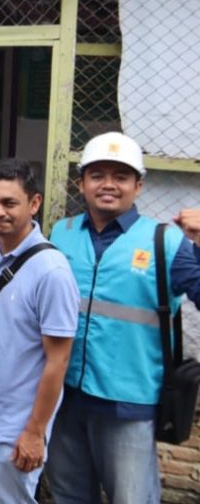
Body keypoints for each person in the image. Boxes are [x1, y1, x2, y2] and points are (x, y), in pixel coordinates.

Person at [45, 132, 200, 504]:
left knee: (131, 498)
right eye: (97, 175)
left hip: (129, 403)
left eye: (121, 176)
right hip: (63, 398)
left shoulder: (165, 241)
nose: (109, 185)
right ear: (81, 183)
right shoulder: (60, 234)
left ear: (138, 186)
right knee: (68, 495)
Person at [0, 159, 78, 504]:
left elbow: (58, 361)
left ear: (34, 203)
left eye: (9, 203)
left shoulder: (52, 272)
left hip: (16, 424)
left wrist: (34, 431)